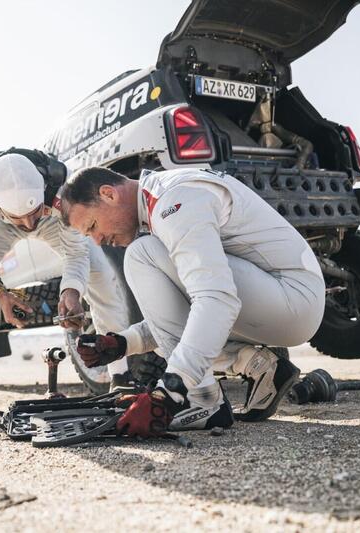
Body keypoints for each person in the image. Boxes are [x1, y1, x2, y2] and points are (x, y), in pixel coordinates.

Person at [62, 167, 326, 437]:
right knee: (150, 256)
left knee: (142, 255)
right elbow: (177, 320)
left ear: (108, 194)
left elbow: (216, 299)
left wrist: (169, 393)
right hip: (287, 300)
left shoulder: (173, 201)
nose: (98, 240)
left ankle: (202, 399)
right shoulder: (163, 198)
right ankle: (256, 364)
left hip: (293, 298)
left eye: (93, 226)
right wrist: (122, 343)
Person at [0, 150, 131, 422]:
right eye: (22, 219)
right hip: (1, 223)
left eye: (32, 214)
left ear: (43, 189)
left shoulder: (62, 186)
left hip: (53, 218)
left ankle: (121, 376)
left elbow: (76, 253)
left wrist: (71, 290)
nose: (29, 226)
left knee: (98, 269)